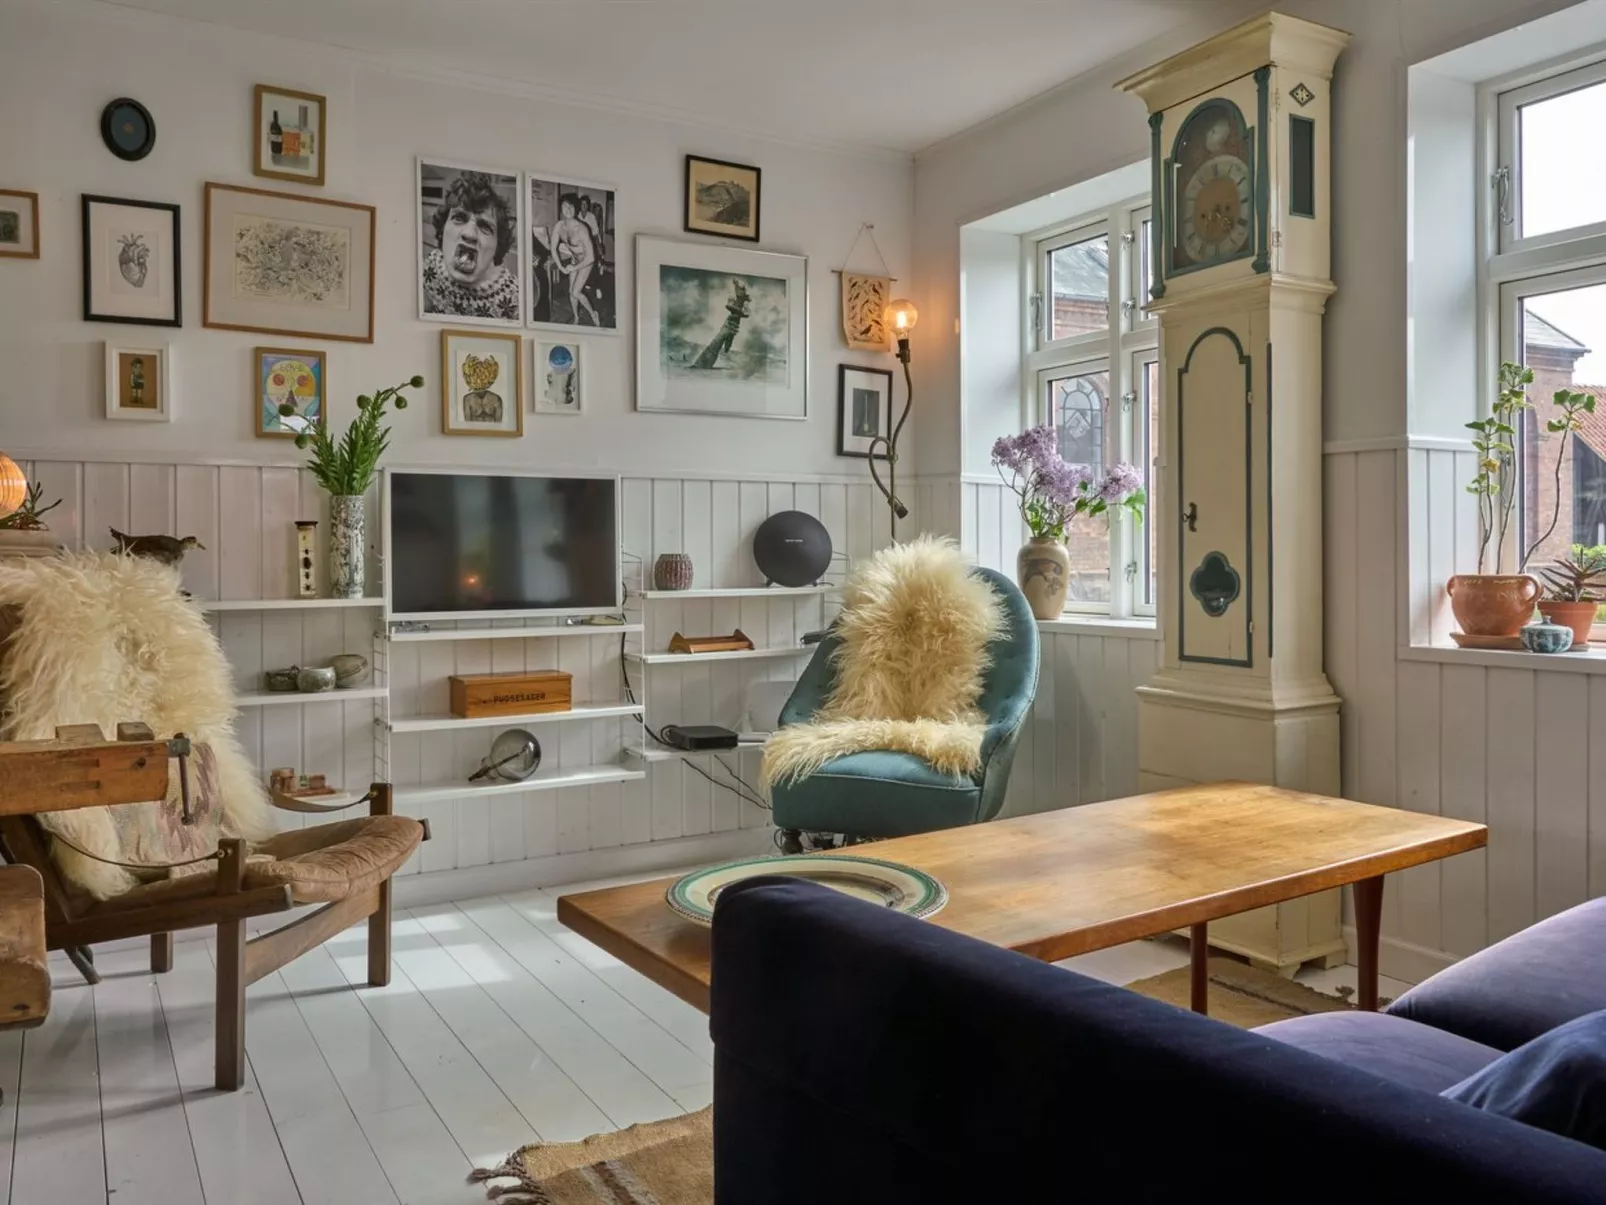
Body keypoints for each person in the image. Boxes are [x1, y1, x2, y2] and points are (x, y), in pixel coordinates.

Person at [422, 171, 519, 321]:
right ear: (443, 228)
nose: (470, 234)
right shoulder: (431, 266)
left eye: (485, 226)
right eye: (459, 218)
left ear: (497, 246)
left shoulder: (514, 298)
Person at [550, 193, 600, 327]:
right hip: (574, 260)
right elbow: (553, 248)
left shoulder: (582, 229)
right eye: (565, 206)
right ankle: (577, 317)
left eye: (571, 207)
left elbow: (591, 257)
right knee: (571, 293)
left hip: (586, 262)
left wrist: (574, 268)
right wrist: (561, 267)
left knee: (576, 291)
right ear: (560, 208)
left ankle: (593, 313)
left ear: (576, 208)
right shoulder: (559, 226)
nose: (568, 210)